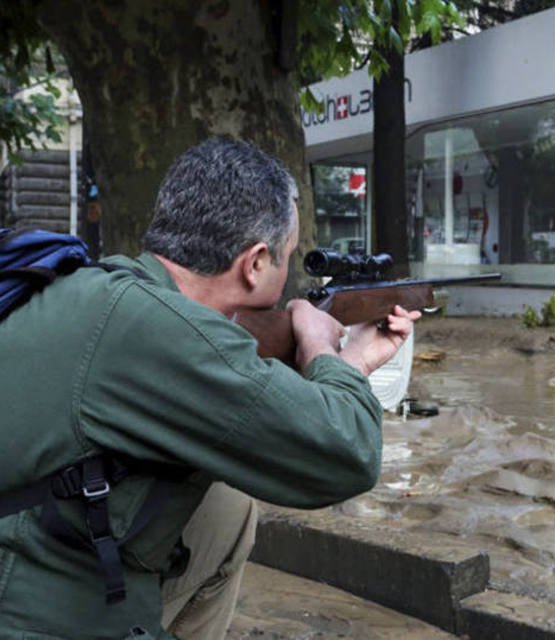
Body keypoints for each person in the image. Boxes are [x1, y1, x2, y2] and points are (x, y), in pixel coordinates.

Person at [0, 137, 419, 639]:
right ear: (256, 262)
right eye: (287, 257)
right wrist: (335, 356)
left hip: (34, 543)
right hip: (29, 602)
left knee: (224, 511)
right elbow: (347, 453)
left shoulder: (108, 291)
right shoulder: (162, 333)